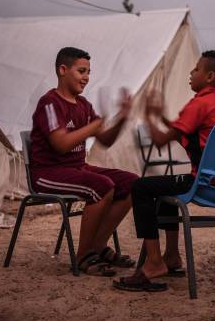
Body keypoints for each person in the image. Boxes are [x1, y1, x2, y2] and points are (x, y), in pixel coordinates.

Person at [113, 50, 215, 292]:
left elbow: (160, 141)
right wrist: (162, 118)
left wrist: (147, 116)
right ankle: (172, 256)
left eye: (196, 69)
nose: (191, 73)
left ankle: (154, 263)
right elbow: (186, 135)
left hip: (202, 183)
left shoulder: (199, 103)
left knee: (141, 187)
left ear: (209, 76)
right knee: (167, 191)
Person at [30, 47, 137, 276]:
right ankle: (83, 257)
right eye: (81, 71)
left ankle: (97, 246)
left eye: (88, 72)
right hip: (48, 173)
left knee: (131, 183)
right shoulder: (49, 103)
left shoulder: (83, 105)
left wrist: (122, 119)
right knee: (102, 186)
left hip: (76, 168)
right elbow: (60, 144)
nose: (86, 77)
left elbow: (106, 139)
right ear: (62, 70)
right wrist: (92, 127)